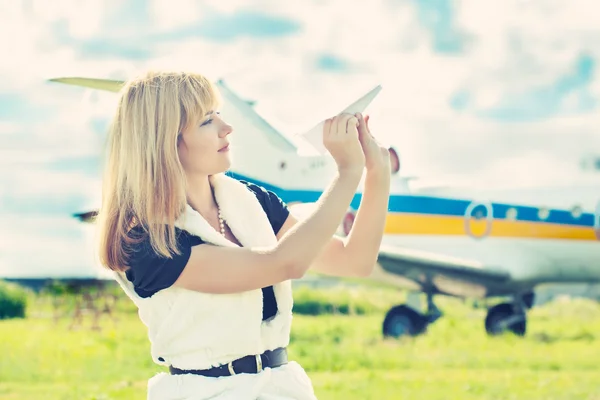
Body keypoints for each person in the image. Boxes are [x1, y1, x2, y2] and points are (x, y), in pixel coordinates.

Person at [95, 70, 391, 400]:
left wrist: (377, 173)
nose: (227, 128)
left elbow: (355, 261)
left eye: (218, 114)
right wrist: (347, 173)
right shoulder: (147, 239)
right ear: (165, 141)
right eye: (207, 120)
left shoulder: (252, 201)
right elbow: (284, 264)